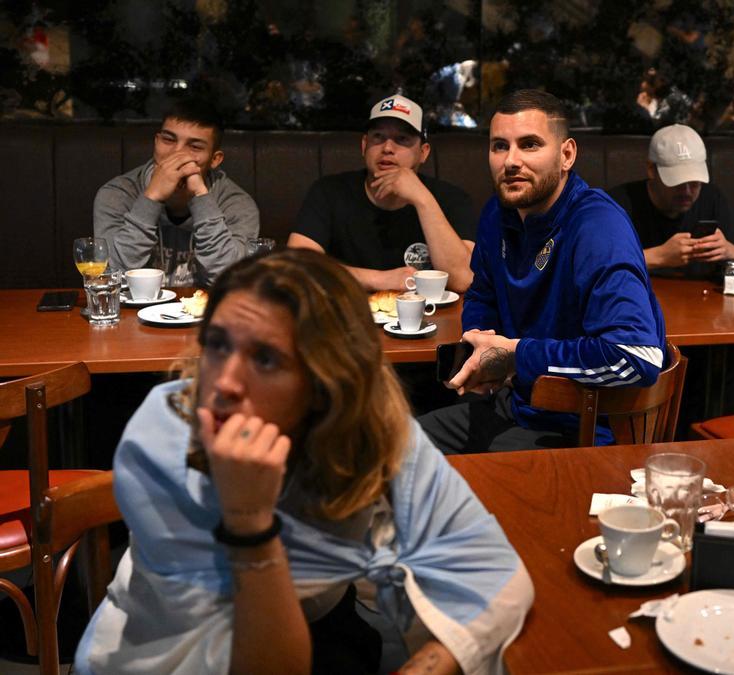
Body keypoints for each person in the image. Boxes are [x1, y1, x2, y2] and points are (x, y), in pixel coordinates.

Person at [74, 249, 533, 674]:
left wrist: (426, 665)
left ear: (329, 382)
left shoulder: (373, 430)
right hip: (165, 648)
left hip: (314, 620)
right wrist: (249, 519)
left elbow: (494, 571)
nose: (225, 383)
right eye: (217, 345)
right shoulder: (166, 437)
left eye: (266, 359)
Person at [417, 89, 666, 453]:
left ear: (566, 154)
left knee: (458, 485)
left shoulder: (596, 225)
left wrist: (517, 356)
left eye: (529, 145)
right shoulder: (497, 214)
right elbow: (482, 294)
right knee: (392, 449)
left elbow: (637, 356)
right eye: (499, 146)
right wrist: (480, 346)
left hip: (584, 430)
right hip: (515, 406)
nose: (511, 161)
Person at [288, 93, 476, 292]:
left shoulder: (452, 199)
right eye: (378, 137)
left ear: (423, 152)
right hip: (348, 315)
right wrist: (379, 279)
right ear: (364, 145)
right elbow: (296, 267)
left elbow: (464, 279)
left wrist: (423, 201)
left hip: (428, 319)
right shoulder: (329, 192)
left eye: (401, 139)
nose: (387, 148)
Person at [94, 98, 260, 287]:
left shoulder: (237, 203)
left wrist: (200, 196)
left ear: (215, 159)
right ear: (156, 142)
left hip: (203, 313)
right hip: (133, 314)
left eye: (195, 146)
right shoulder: (118, 194)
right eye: (168, 139)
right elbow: (112, 276)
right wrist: (151, 198)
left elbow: (229, 281)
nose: (177, 153)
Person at [607, 124, 734, 272]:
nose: (687, 191)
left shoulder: (712, 198)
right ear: (651, 170)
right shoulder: (617, 204)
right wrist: (659, 257)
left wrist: (728, 251)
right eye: (677, 182)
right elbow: (593, 264)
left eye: (695, 182)